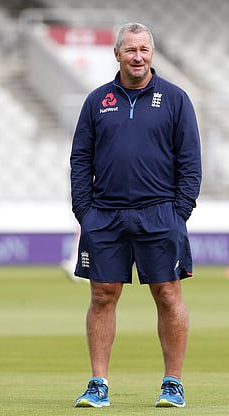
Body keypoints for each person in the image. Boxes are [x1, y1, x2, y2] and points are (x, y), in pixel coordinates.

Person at [69, 22, 202, 408]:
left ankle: (172, 384)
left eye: (144, 49)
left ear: (152, 54)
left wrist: (180, 213)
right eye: (130, 50)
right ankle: (98, 384)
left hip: (160, 214)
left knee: (167, 293)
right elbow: (80, 159)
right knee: (102, 295)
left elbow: (190, 162)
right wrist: (85, 212)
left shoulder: (176, 100)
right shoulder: (96, 101)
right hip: (105, 215)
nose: (137, 57)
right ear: (117, 54)